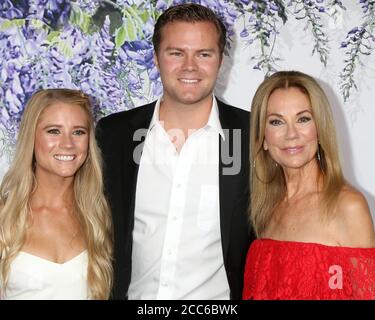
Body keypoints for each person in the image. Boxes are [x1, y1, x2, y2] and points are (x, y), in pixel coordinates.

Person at [96, 3, 253, 300]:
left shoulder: (252, 136)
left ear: (220, 60)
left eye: (203, 54)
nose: (190, 66)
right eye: (176, 53)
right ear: (156, 58)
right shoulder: (113, 135)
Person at [243, 71, 375, 300]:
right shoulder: (266, 209)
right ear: (263, 138)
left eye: (303, 119)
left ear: (320, 129)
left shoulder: (348, 206)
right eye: (276, 122)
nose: (291, 134)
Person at [0, 89, 113, 299]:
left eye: (78, 132)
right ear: (31, 137)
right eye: (54, 131)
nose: (68, 144)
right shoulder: (4, 216)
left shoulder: (101, 215)